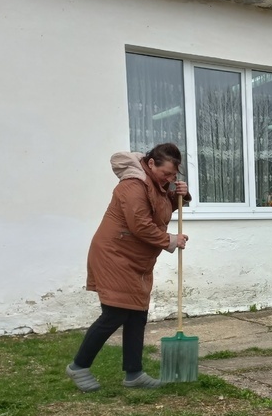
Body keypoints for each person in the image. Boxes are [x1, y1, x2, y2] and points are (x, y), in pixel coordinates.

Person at [66, 143, 190, 392]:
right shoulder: (133, 185)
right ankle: (79, 366)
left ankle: (134, 373)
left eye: (173, 176)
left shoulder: (155, 185)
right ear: (151, 163)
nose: (168, 179)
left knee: (137, 314)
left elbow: (158, 211)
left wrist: (179, 196)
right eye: (166, 174)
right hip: (114, 255)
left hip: (135, 258)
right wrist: (169, 240)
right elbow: (141, 225)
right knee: (114, 313)